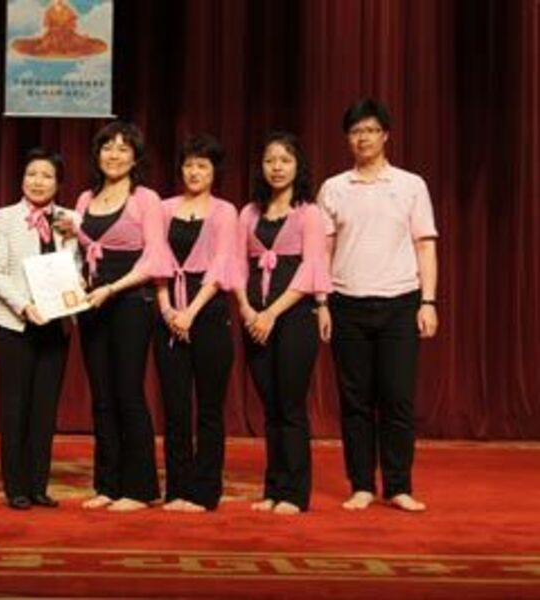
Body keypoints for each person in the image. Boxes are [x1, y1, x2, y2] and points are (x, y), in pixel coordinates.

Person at [318, 99, 439, 512]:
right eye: (355, 132)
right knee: (355, 402)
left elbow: (425, 246)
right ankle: (361, 485)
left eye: (370, 130)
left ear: (385, 135)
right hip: (346, 303)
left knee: (397, 399)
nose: (363, 138)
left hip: (400, 303)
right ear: (347, 139)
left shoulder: (410, 185)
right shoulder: (334, 188)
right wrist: (322, 303)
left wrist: (428, 301)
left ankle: (399, 485)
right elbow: (323, 250)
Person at [68, 121, 171, 512]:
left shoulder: (146, 199)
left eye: (123, 148)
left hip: (131, 301)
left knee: (128, 392)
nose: (114, 155)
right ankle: (107, 484)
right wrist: (77, 285)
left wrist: (111, 288)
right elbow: (78, 253)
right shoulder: (84, 198)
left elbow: (155, 257)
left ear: (135, 157)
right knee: (102, 396)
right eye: (107, 147)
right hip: (92, 305)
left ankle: (140, 488)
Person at [236, 132, 332, 515]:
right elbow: (236, 265)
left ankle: (294, 493)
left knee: (290, 406)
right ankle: (273, 488)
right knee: (270, 407)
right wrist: (247, 310)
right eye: (270, 160)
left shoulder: (308, 213)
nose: (277, 167)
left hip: (293, 318)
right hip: (254, 318)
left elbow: (312, 268)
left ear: (297, 167)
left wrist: (271, 313)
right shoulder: (249, 213)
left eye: (285, 160)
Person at [0, 147, 81, 510]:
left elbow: (75, 267)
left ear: (58, 183)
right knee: (15, 405)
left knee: (44, 408)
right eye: (31, 174)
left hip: (56, 324)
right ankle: (16, 487)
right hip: (16, 323)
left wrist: (73, 292)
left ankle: (39, 485)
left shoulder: (70, 219)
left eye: (47, 176)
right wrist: (25, 307)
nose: (38, 182)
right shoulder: (4, 218)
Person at [153, 135, 238, 512]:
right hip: (169, 313)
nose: (194, 172)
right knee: (175, 409)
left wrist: (190, 312)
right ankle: (177, 489)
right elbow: (156, 259)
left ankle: (204, 492)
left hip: (209, 311)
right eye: (188, 165)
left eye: (202, 166)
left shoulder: (225, 211)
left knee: (208, 409)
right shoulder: (164, 208)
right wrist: (168, 310)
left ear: (214, 172)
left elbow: (221, 264)